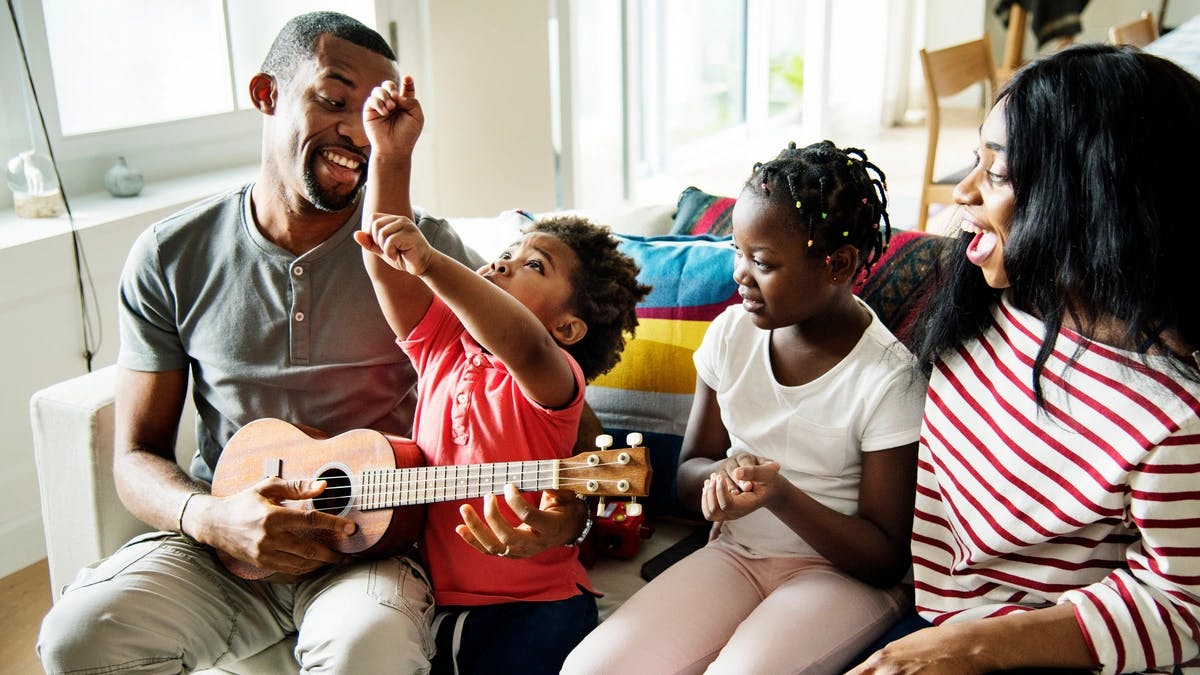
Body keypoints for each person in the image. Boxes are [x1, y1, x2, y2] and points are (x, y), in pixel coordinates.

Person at [37, 12, 592, 674]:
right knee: (76, 637)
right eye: (334, 101)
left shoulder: (422, 251)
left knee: (369, 649)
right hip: (223, 540)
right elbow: (134, 454)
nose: (357, 132)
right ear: (267, 95)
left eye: (376, 115)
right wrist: (213, 518)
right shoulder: (169, 255)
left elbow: (554, 402)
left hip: (376, 546)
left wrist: (573, 515)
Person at [848, 44, 1200, 675]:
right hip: (936, 616)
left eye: (1000, 172)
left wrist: (973, 647)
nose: (963, 191)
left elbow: (1184, 603)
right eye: (974, 159)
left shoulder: (1176, 417)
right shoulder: (990, 298)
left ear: (1094, 196)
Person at [562, 140, 928, 674]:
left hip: (839, 577)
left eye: (762, 261)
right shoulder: (732, 335)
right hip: (737, 554)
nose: (740, 274)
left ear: (838, 264)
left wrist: (778, 495)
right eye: (737, 250)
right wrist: (719, 481)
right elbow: (688, 474)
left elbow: (885, 557)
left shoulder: (888, 378)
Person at [354, 77, 650, 673]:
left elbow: (517, 338)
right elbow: (383, 265)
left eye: (531, 265)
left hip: (538, 606)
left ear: (568, 330)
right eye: (508, 253)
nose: (503, 263)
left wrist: (434, 263)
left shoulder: (551, 377)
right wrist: (390, 155)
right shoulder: (442, 344)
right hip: (436, 603)